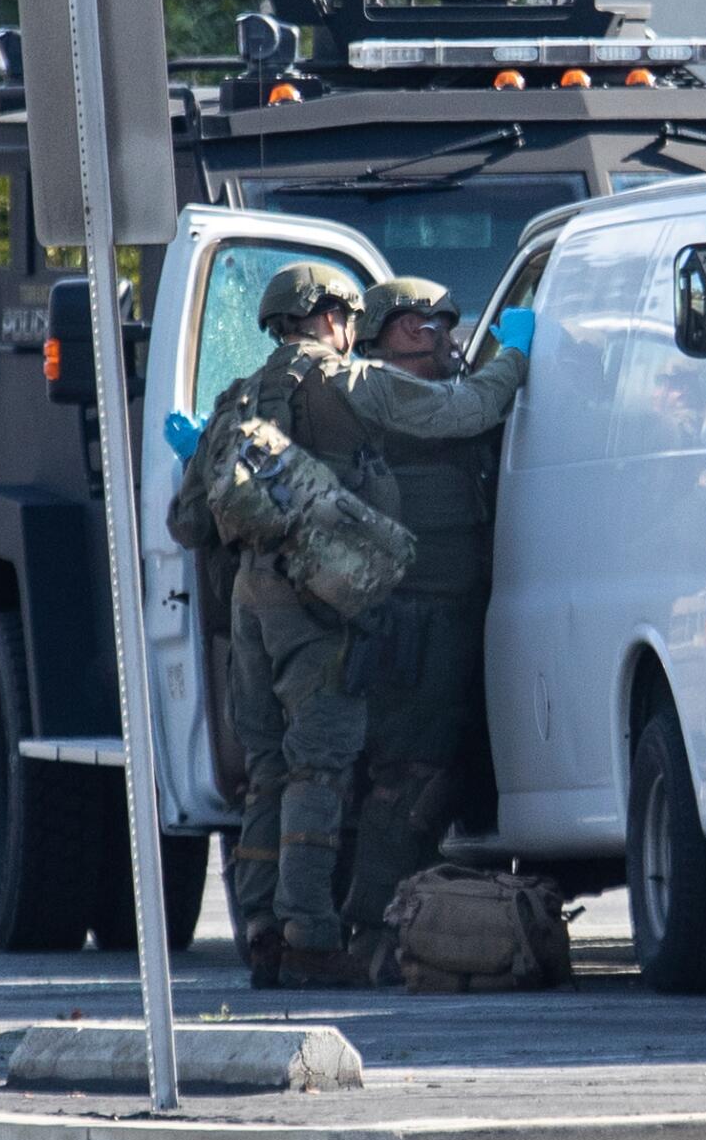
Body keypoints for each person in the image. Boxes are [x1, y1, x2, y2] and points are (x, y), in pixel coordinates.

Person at [209, 262, 534, 989]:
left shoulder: (239, 397)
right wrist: (514, 357)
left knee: (267, 772)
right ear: (329, 317)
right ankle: (309, 936)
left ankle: (260, 926)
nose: (353, 332)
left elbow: (193, 516)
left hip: (252, 595)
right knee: (320, 766)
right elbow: (462, 413)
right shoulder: (346, 383)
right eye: (349, 319)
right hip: (317, 600)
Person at [337, 278, 503, 982]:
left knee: (435, 774)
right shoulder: (385, 397)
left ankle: (407, 925)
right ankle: (372, 931)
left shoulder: (440, 391)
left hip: (458, 611)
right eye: (413, 324)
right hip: (413, 619)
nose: (432, 333)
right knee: (408, 780)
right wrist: (509, 361)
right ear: (375, 338)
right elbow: (466, 411)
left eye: (440, 321)